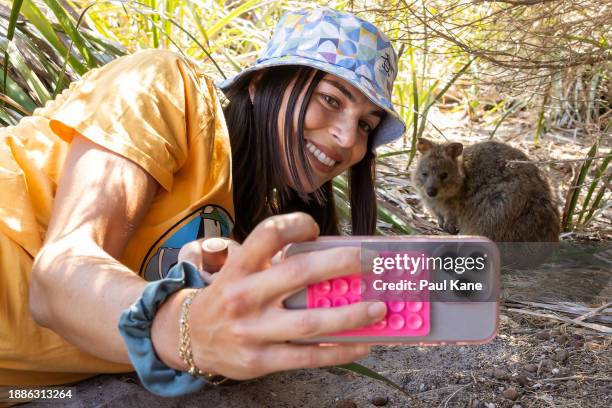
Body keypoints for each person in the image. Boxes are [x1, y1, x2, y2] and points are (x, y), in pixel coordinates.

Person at [0, 7, 405, 393]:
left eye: (366, 125)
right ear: (261, 84)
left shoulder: (254, 233)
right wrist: (187, 325)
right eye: (331, 100)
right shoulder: (167, 89)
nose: (348, 139)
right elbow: (57, 277)